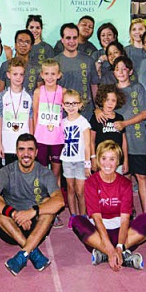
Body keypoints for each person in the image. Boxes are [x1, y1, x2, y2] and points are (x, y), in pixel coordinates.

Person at [0, 134, 66, 275]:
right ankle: (31, 251)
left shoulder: (45, 173)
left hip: (36, 226)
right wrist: (15, 214)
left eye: (30, 149)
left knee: (49, 205)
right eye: (21, 149)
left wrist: (32, 212)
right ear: (16, 152)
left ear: (36, 152)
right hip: (10, 227)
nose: (26, 154)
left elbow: (60, 202)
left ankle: (24, 253)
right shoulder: (6, 171)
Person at [70, 140, 146, 271]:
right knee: (77, 221)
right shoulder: (91, 183)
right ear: (98, 160)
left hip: (122, 233)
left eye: (112, 159)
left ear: (118, 162)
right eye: (104, 158)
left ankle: (106, 253)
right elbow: (97, 218)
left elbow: (125, 219)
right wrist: (110, 249)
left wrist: (119, 246)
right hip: (99, 233)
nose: (107, 164)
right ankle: (119, 255)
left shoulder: (125, 184)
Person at [112, 57, 146, 212]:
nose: (121, 72)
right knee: (124, 176)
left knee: (141, 176)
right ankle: (129, 209)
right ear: (114, 72)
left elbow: (144, 114)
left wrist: (124, 124)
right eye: (117, 69)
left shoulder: (138, 88)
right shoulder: (112, 91)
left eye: (124, 69)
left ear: (130, 71)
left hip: (137, 137)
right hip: (118, 140)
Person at [59, 89, 93, 217]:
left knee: (80, 191)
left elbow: (88, 144)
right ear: (62, 105)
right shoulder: (62, 122)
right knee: (70, 189)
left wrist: (87, 163)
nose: (71, 107)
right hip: (67, 160)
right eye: (67, 103)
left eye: (74, 103)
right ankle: (73, 215)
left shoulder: (83, 122)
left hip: (80, 161)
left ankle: (83, 216)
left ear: (80, 105)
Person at [30, 59, 64, 179]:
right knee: (42, 172)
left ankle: (57, 196)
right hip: (41, 138)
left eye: (53, 74)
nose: (50, 77)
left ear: (59, 75)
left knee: (56, 173)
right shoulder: (38, 92)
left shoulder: (63, 92)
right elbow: (35, 115)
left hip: (57, 139)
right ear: (42, 75)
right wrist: (34, 135)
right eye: (47, 74)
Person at [55, 23, 99, 116]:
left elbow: (94, 86)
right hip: (62, 114)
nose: (72, 41)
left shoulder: (88, 60)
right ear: (62, 40)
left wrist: (98, 108)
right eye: (68, 38)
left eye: (75, 38)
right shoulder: (55, 63)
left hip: (86, 113)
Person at [0, 57, 33, 165]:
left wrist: (31, 145)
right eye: (15, 74)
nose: (18, 77)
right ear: (8, 75)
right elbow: (1, 120)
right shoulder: (2, 96)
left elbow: (31, 121)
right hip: (7, 144)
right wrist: (0, 143)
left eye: (21, 74)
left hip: (24, 146)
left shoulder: (29, 97)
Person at [90, 84, 128, 171]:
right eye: (107, 100)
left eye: (113, 100)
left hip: (117, 161)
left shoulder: (120, 118)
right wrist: (93, 158)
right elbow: (91, 141)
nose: (110, 103)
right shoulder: (96, 117)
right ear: (102, 100)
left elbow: (124, 141)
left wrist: (126, 160)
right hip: (101, 160)